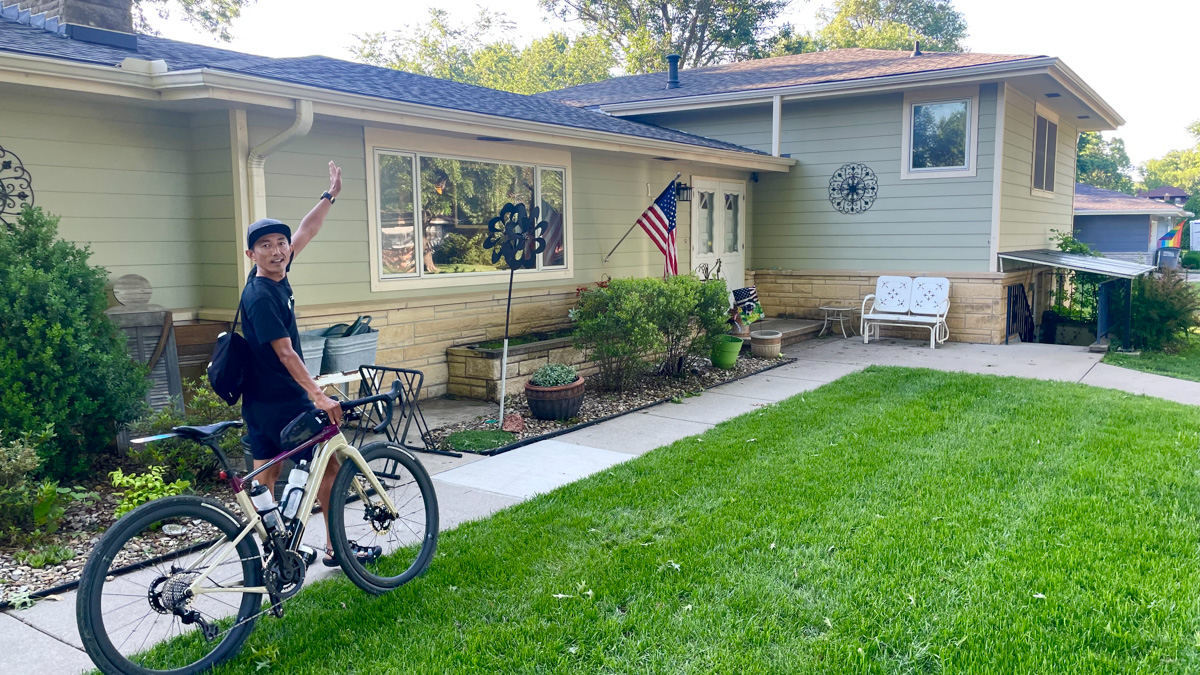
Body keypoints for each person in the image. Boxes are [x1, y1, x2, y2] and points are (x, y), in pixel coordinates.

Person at [241, 160, 373, 567]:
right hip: (284, 399)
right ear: (252, 254)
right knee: (328, 468)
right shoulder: (262, 295)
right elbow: (285, 352)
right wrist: (316, 394)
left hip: (258, 399)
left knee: (266, 478)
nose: (278, 249)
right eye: (266, 246)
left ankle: (277, 553)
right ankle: (338, 549)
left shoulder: (275, 271)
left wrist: (330, 193)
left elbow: (308, 229)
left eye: (281, 243)